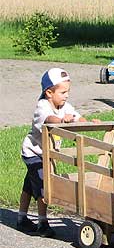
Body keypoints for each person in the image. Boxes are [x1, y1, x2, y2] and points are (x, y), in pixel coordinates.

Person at [18, 68, 91, 237]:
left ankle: (21, 218)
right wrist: (62, 120)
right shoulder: (42, 106)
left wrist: (86, 122)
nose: (66, 96)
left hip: (47, 153)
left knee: (29, 185)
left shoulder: (65, 106)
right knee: (44, 186)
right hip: (33, 153)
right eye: (63, 92)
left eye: (68, 92)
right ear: (49, 92)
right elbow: (49, 120)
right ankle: (43, 223)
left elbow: (76, 116)